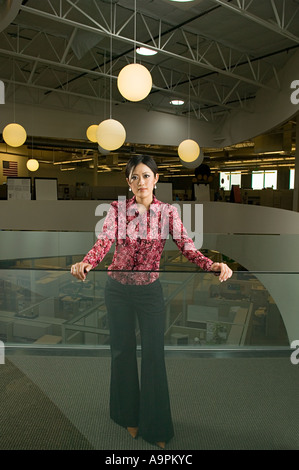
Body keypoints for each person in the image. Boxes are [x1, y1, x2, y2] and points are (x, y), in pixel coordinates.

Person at [71, 155, 232, 449]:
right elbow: (104, 242)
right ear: (128, 182)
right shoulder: (118, 209)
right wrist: (87, 263)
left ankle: (156, 426)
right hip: (117, 289)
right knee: (122, 352)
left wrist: (213, 265)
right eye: (134, 177)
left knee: (154, 356)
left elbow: (187, 247)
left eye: (146, 176)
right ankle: (126, 415)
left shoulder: (168, 213)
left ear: (156, 179)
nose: (141, 182)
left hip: (149, 292)